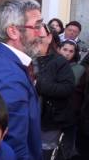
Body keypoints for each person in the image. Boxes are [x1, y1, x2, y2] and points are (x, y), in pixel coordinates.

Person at [0, 0, 44, 160]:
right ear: (13, 31)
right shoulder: (7, 77)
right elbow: (12, 145)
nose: (42, 33)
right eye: (37, 26)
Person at [34, 25, 75, 160]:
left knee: (44, 154)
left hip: (49, 120)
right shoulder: (28, 58)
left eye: (41, 35)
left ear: (49, 38)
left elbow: (67, 88)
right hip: (29, 118)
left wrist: (40, 85)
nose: (37, 37)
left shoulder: (59, 61)